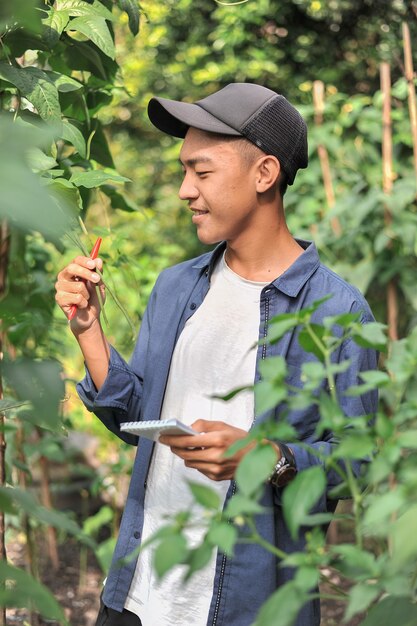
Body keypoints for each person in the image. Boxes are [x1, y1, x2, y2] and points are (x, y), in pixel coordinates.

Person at [55, 83, 378, 626]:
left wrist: (270, 458)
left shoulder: (338, 312)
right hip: (137, 594)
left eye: (201, 173)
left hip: (249, 606)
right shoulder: (176, 286)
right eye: (185, 172)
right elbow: (140, 421)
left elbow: (357, 463)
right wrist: (89, 331)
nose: (185, 190)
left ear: (264, 174)